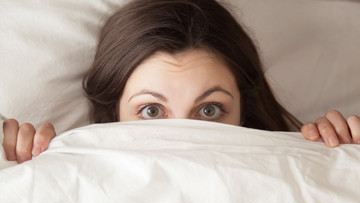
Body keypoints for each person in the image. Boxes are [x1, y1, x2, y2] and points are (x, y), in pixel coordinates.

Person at [2, 0, 360, 163]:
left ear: (242, 112)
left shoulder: (299, 169)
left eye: (209, 109)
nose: (184, 135)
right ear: (114, 113)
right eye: (152, 110)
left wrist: (344, 157)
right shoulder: (59, 174)